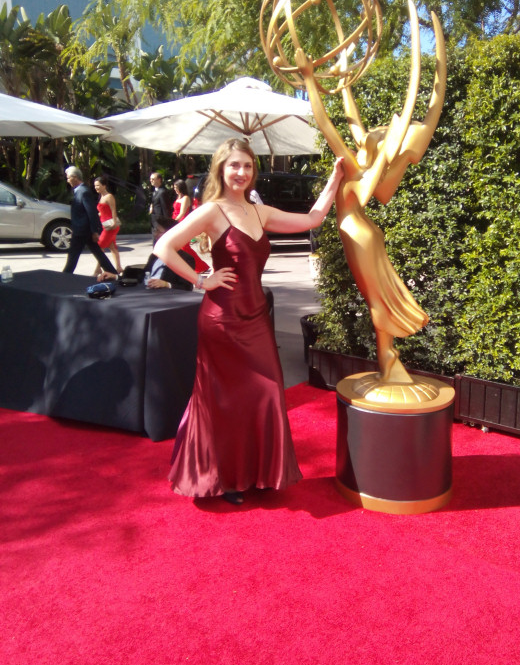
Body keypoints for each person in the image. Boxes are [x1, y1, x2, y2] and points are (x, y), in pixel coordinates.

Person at [154, 137, 343, 505]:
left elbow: (313, 218)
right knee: (224, 398)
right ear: (221, 170)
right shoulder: (212, 211)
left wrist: (335, 178)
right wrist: (200, 279)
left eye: (247, 166)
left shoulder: (261, 212)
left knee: (267, 390)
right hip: (221, 318)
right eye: (234, 166)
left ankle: (256, 470)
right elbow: (164, 246)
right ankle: (225, 477)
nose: (241, 173)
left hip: (255, 316)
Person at [98, 216, 196, 290]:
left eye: (158, 231)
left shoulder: (186, 259)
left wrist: (166, 284)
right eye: (155, 230)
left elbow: (187, 286)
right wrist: (115, 276)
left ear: (170, 234)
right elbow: (142, 276)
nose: (155, 234)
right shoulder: (155, 255)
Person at [63, 166, 118, 275]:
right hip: (83, 230)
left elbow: (91, 212)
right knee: (97, 253)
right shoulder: (78, 191)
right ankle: (112, 272)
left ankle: (65, 276)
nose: (67, 180)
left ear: (75, 177)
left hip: (83, 230)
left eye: (68, 178)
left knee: (73, 255)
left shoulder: (83, 191)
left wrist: (95, 231)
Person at [172, 179, 208, 273]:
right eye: (174, 188)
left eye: (176, 188)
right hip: (176, 222)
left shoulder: (186, 198)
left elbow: (182, 212)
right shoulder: (178, 197)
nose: (175, 189)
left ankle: (201, 266)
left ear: (181, 187)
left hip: (182, 223)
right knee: (180, 247)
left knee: (185, 247)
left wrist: (173, 222)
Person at [93, 175, 123, 276]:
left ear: (104, 186)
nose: (96, 187)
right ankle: (118, 268)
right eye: (95, 186)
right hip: (105, 225)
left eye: (98, 185)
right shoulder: (101, 196)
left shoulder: (109, 196)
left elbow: (113, 210)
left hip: (111, 226)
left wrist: (114, 222)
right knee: (112, 247)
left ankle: (98, 269)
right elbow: (103, 211)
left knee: (100, 246)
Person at [149, 172, 171, 243]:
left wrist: (166, 224)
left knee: (159, 243)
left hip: (160, 222)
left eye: (153, 179)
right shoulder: (155, 191)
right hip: (154, 222)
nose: (151, 181)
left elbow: (165, 209)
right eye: (150, 179)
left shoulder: (162, 192)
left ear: (159, 180)